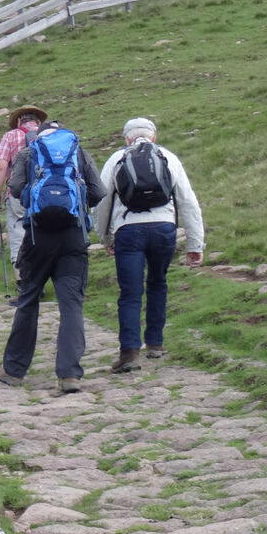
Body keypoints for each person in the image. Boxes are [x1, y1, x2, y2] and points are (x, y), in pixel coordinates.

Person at [0, 120, 105, 393]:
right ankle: (70, 375)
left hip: (37, 236)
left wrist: (40, 203)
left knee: (29, 300)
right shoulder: (78, 151)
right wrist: (75, 206)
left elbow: (17, 188)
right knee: (71, 305)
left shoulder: (28, 152)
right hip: (73, 237)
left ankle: (14, 371)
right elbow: (98, 191)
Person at [93, 117, 204, 373]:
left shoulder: (117, 159)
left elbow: (102, 202)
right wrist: (195, 244)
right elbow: (188, 201)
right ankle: (155, 343)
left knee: (130, 293)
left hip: (128, 231)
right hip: (163, 229)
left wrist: (106, 237)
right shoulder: (168, 157)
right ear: (154, 136)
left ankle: (130, 352)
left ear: (126, 138)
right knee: (158, 283)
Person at [0, 104, 47, 304]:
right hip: (47, 195)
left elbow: (2, 165)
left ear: (18, 121)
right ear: (38, 122)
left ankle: (24, 286)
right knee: (42, 235)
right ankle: (41, 283)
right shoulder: (49, 135)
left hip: (17, 194)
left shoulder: (11, 136)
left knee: (18, 236)